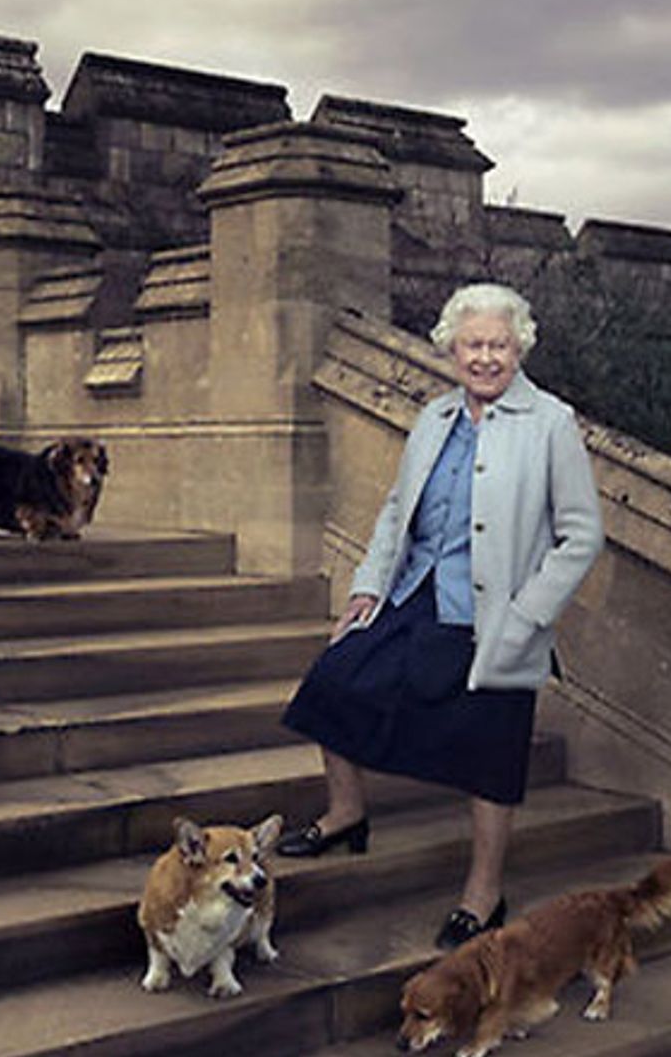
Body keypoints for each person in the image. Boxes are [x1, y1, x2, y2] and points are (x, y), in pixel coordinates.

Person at [277, 282, 605, 950]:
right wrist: (369, 587)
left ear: (520, 349)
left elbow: (582, 534)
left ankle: (483, 894)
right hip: (416, 593)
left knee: (491, 750)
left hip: (497, 617)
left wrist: (529, 617)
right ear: (451, 349)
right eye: (473, 345)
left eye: (499, 345)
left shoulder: (550, 423)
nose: (485, 357)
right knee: (332, 682)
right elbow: (399, 509)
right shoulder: (434, 418)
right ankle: (347, 815)